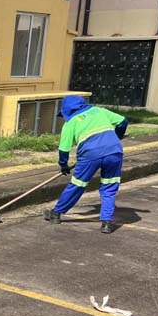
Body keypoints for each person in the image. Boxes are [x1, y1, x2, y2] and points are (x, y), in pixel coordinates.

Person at [44, 95, 128, 233]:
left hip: (90, 155)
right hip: (114, 151)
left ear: (66, 111)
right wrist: (117, 136)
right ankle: (106, 223)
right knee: (109, 187)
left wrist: (63, 165)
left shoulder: (71, 122)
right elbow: (123, 121)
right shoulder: (99, 111)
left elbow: (64, 149)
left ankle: (56, 213)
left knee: (78, 184)